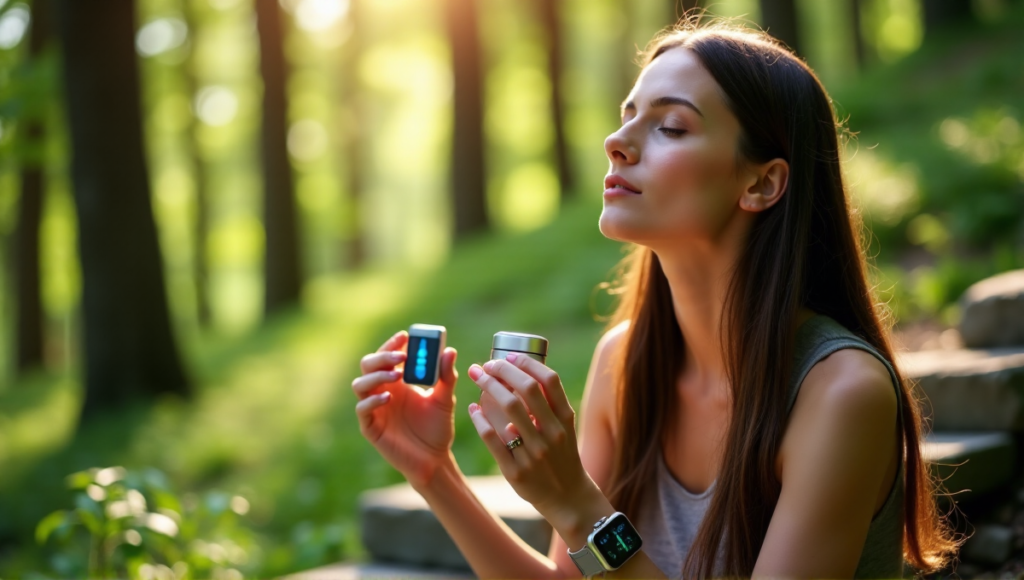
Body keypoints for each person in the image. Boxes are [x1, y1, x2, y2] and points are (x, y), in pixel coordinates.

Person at [351, 17, 962, 579]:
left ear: (762, 182)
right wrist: (434, 473)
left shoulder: (839, 392)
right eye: (627, 116)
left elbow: (592, 539)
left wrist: (578, 504)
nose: (616, 141)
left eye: (670, 126)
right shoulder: (623, 361)